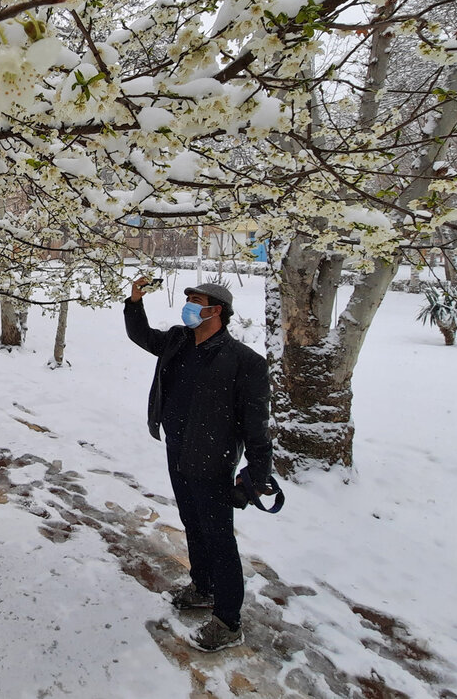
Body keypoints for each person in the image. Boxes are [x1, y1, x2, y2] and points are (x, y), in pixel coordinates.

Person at [124, 276, 273, 652]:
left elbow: (256, 425)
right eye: (187, 298)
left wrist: (258, 473)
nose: (188, 304)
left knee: (219, 538)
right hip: (178, 450)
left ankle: (228, 621)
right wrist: (135, 299)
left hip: (214, 461)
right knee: (193, 523)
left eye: (197, 299)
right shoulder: (177, 340)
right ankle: (203, 588)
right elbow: (142, 336)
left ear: (216, 309)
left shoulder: (245, 363)